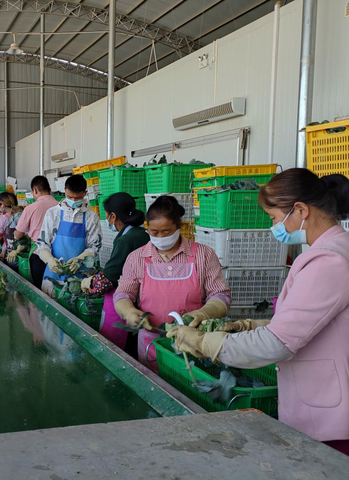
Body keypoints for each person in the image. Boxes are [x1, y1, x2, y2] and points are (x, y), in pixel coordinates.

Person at [167, 169, 349, 455]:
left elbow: (279, 342)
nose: (272, 227)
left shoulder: (329, 260)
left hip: (331, 419)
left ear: (300, 210)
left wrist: (204, 343)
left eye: (274, 218)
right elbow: (313, 324)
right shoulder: (331, 250)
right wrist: (247, 326)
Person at [113, 195, 230, 371]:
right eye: (154, 232)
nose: (160, 237)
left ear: (179, 226)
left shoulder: (203, 255)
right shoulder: (137, 257)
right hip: (151, 343)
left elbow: (221, 295)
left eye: (166, 232)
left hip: (193, 341)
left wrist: (204, 313)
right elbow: (123, 294)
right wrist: (128, 311)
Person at [80, 193, 149, 350]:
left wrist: (89, 283)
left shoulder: (126, 239)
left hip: (129, 300)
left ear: (113, 216)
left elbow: (110, 277)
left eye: (106, 214)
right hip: (143, 298)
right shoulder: (141, 233)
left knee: (124, 346)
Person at [36, 174, 102, 296]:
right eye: (69, 196)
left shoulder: (91, 217)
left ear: (85, 193)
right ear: (65, 191)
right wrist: (49, 259)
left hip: (80, 279)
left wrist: (79, 259)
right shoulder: (52, 214)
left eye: (77, 198)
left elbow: (94, 246)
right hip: (53, 276)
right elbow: (42, 243)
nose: (73, 201)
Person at [14, 176, 59, 287]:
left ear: (34, 190)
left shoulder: (31, 208)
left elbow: (18, 235)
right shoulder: (61, 206)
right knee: (56, 289)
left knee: (39, 288)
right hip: (59, 255)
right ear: (50, 190)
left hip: (39, 254)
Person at [0, 192, 25, 266]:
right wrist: (4, 250)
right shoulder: (10, 216)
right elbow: (7, 238)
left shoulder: (18, 217)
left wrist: (17, 251)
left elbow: (26, 237)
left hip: (19, 258)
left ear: (3, 204)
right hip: (10, 256)